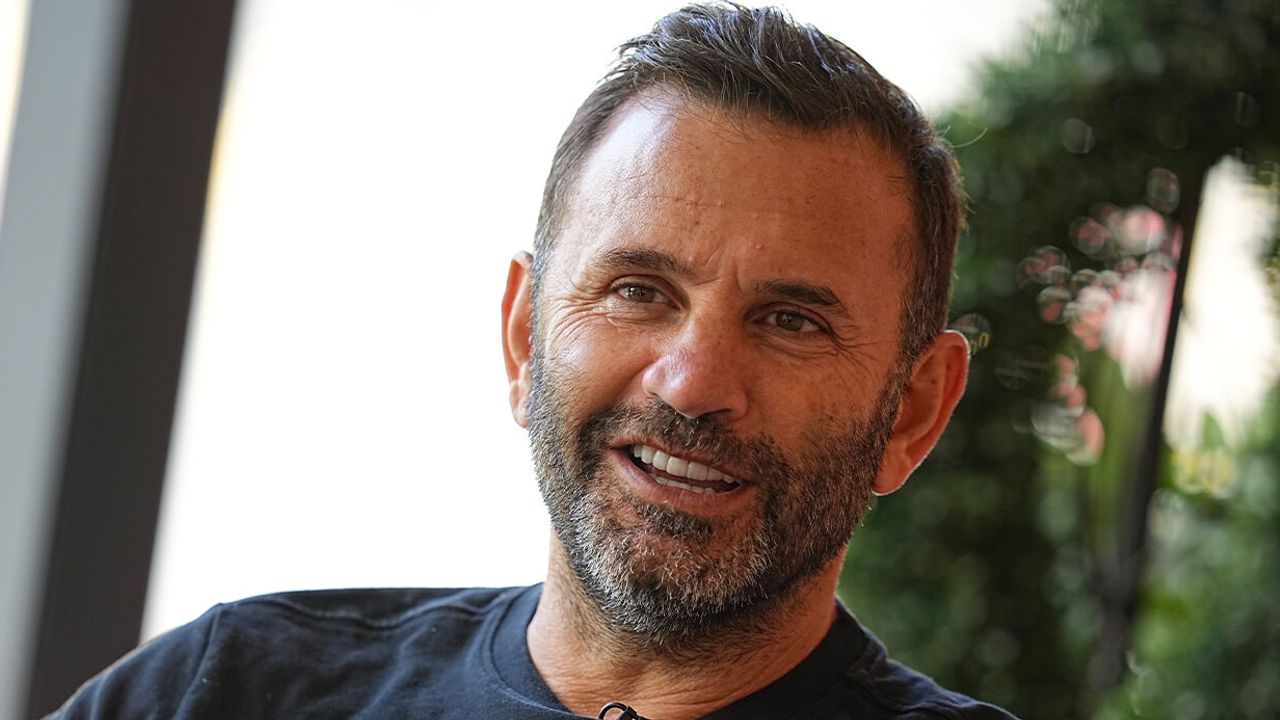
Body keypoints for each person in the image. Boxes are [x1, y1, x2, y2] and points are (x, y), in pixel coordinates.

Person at [51, 4, 1017, 718]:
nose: (692, 382)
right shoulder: (224, 690)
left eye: (792, 321)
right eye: (638, 290)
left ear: (912, 412)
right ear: (523, 333)